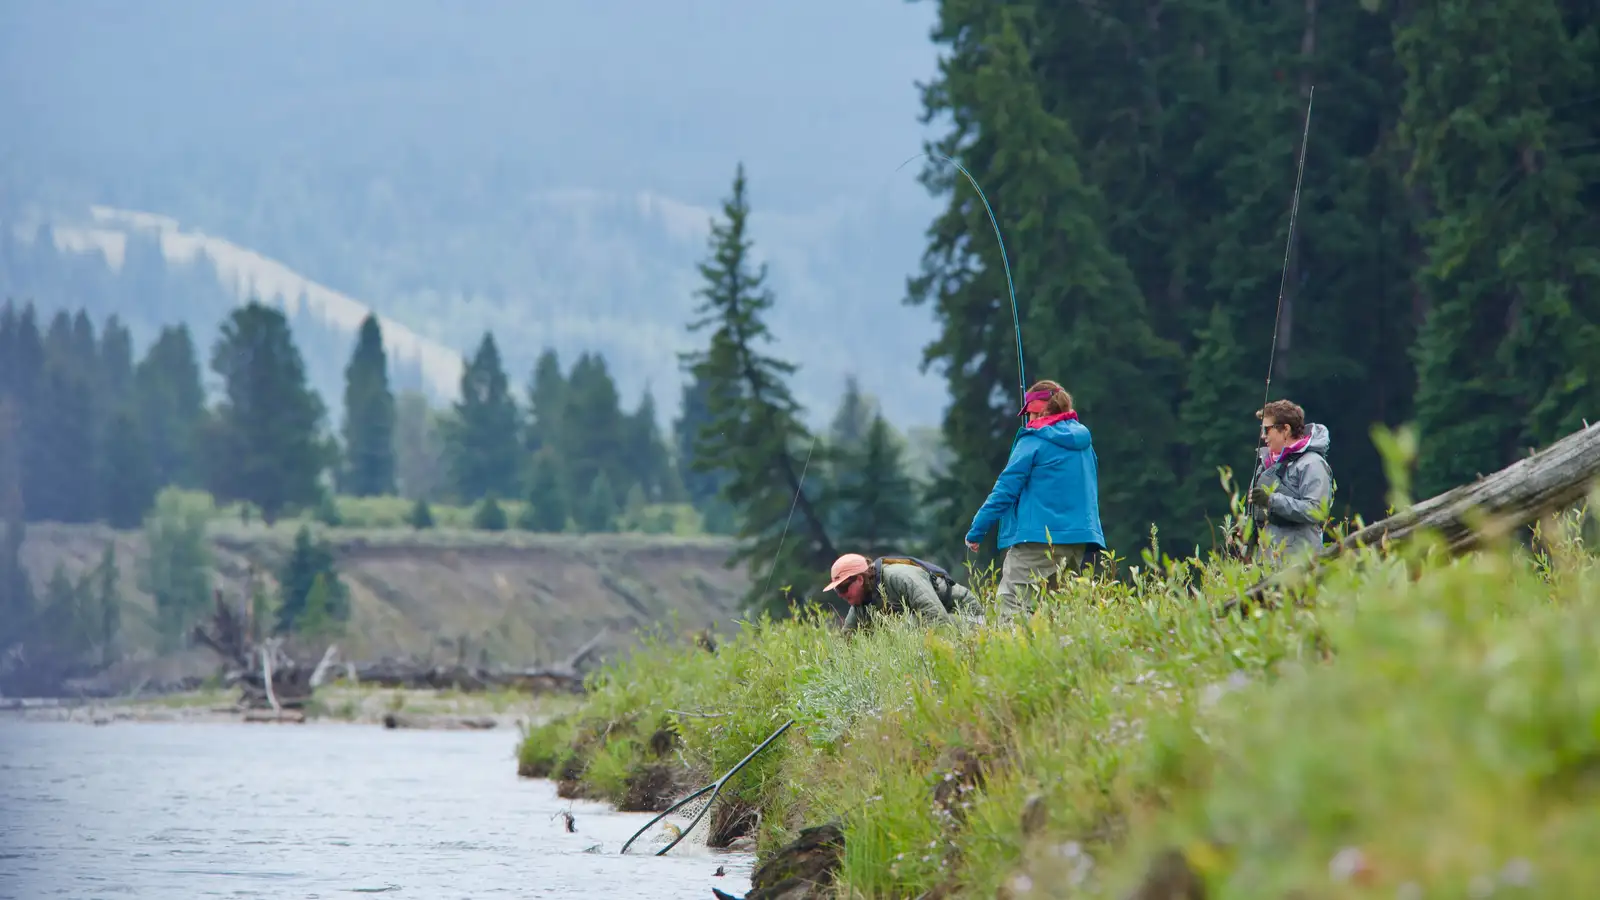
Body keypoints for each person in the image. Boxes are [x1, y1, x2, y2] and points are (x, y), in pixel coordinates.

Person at [964, 380, 1105, 618]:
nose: (1028, 421)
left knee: (1011, 607)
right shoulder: (1084, 445)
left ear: (1041, 409)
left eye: (1029, 413)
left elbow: (1005, 490)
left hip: (1037, 540)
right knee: (1057, 615)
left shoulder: (1033, 441)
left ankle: (1010, 656)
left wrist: (977, 530)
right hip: (1077, 541)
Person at [1247, 399, 1333, 562]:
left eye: (1267, 429)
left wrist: (1272, 500)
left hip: (1300, 563)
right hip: (1268, 563)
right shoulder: (1266, 465)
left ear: (1285, 429)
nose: (1263, 436)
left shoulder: (1313, 464)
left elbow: (1317, 510)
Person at [824, 552, 980, 632]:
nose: (840, 594)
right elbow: (848, 641)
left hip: (968, 616)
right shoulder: (861, 602)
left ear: (859, 579)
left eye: (843, 588)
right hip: (939, 621)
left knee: (907, 625)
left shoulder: (900, 577)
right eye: (837, 590)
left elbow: (936, 617)